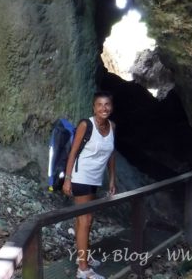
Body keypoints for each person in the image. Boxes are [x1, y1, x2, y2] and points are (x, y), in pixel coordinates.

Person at [62, 91, 116, 279]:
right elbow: (73, 152)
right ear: (94, 107)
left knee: (86, 220)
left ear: (111, 107)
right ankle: (83, 269)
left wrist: (111, 180)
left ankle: (83, 257)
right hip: (80, 177)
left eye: (107, 104)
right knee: (84, 220)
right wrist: (68, 178)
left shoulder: (112, 126)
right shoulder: (86, 125)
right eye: (100, 104)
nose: (104, 108)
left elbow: (111, 154)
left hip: (95, 179)